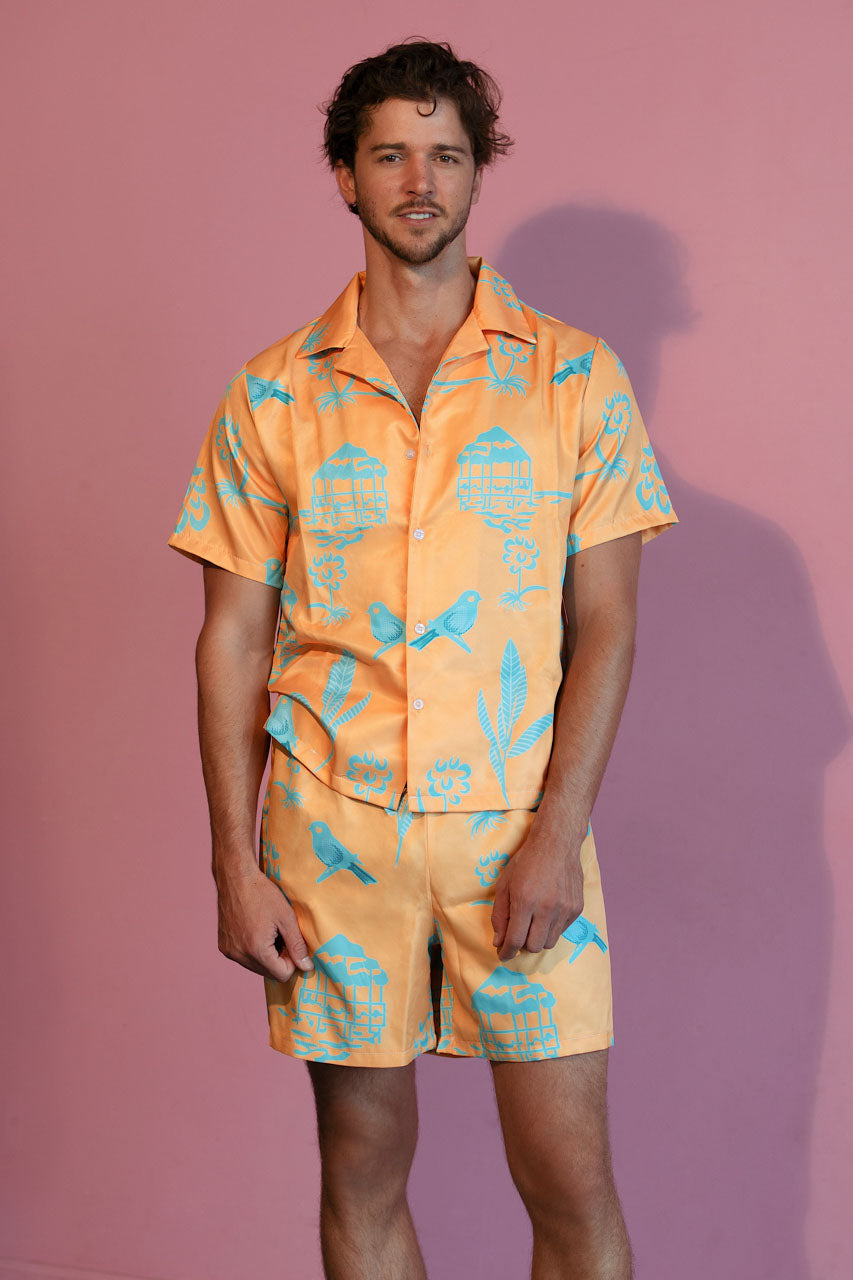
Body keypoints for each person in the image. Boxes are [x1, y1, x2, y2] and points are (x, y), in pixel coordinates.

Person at [167, 36, 678, 1280]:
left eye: (445, 155)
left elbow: (607, 623)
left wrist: (558, 831)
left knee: (571, 1182)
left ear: (477, 172)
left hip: (517, 829)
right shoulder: (271, 395)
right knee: (360, 1168)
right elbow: (231, 637)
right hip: (332, 837)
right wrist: (235, 862)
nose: (418, 181)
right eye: (389, 154)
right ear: (345, 176)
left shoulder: (576, 380)